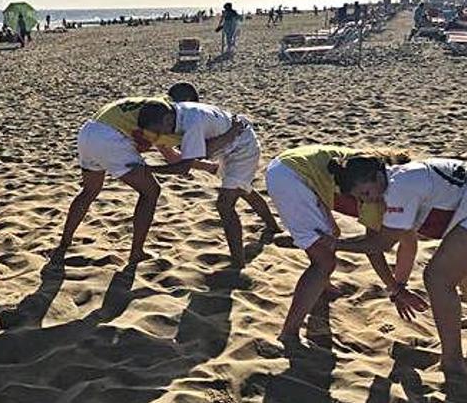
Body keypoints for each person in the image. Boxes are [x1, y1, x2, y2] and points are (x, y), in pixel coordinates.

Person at [333, 155, 467, 375]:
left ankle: (452, 361)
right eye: (359, 199)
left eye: (366, 194)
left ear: (378, 176)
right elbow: (407, 243)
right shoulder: (401, 178)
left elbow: (381, 243)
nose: (366, 202)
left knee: (437, 277)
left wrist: (332, 245)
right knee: (457, 262)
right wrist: (399, 287)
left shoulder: (398, 189)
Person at [60, 97, 243, 264]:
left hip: (88, 131)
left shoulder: (152, 107)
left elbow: (173, 158)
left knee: (89, 190)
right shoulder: (166, 119)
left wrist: (209, 169)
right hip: (110, 137)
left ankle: (63, 244)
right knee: (151, 192)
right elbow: (176, 160)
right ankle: (137, 253)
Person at [263, 145, 413, 343]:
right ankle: (289, 332)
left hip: (286, 164)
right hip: (292, 178)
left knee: (331, 235)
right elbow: (373, 248)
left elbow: (321, 181)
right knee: (323, 262)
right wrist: (395, 288)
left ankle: (322, 287)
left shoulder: (363, 161)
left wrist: (334, 233)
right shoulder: (376, 190)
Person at [137, 100, 279, 268]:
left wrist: (149, 169)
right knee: (243, 189)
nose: (159, 135)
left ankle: (238, 264)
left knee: (225, 205)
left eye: (158, 130)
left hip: (242, 148)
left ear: (168, 119)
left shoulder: (192, 123)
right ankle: (273, 227)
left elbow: (185, 167)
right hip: (231, 146)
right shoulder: (180, 113)